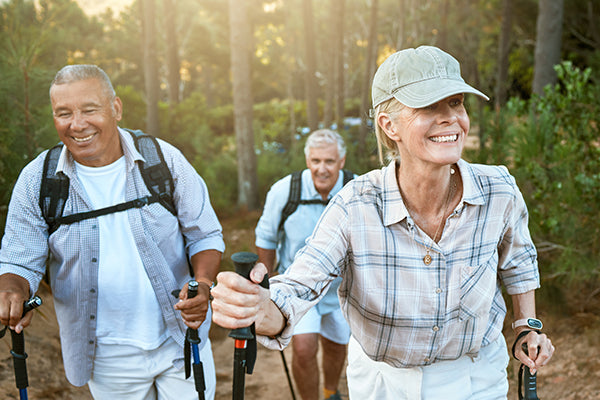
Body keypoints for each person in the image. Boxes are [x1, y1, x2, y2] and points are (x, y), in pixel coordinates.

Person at [211, 46, 555, 399]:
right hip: (382, 382)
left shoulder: (499, 190)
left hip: (474, 376)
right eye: (428, 106)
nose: (451, 118)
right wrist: (261, 307)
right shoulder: (354, 205)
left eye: (455, 103)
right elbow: (299, 285)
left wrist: (525, 327)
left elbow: (518, 263)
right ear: (389, 125)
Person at [0, 65, 225, 399]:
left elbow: (204, 235)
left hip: (181, 340)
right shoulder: (38, 181)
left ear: (116, 108)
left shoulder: (162, 160)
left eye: (89, 109)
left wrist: (203, 286)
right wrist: (11, 293)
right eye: (64, 113)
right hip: (105, 357)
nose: (77, 124)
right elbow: (20, 262)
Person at [255, 129, 352, 400]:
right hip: (299, 289)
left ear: (341, 161)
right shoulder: (285, 191)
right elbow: (266, 237)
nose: (322, 169)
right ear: (307, 160)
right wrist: (266, 286)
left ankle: (330, 392)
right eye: (316, 161)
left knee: (336, 346)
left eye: (329, 162)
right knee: (304, 348)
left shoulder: (355, 189)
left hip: (341, 290)